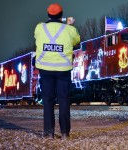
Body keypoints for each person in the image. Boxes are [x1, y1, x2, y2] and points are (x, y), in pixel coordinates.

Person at [34, 3, 80, 139]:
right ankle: (65, 133)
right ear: (61, 16)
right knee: (64, 99)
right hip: (63, 70)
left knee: (47, 100)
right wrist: (69, 25)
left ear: (48, 15)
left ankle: (49, 132)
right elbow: (77, 40)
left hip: (45, 69)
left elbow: (37, 37)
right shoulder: (69, 29)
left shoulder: (39, 28)